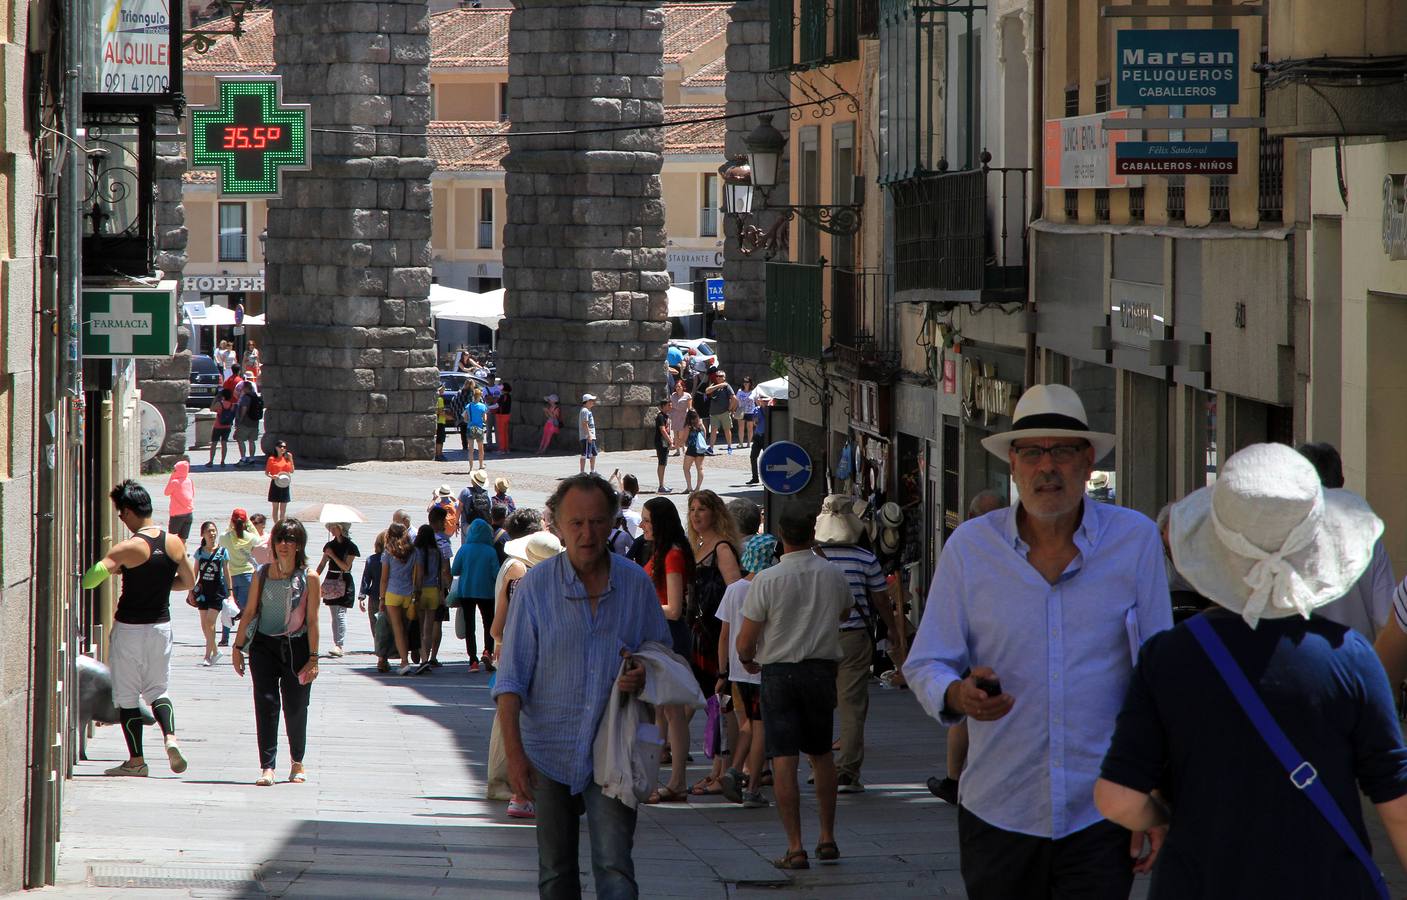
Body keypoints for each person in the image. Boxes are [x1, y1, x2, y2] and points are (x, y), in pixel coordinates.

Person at [1095, 442, 1407, 898]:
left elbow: (1116, 797)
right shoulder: (1351, 658)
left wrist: (1163, 817)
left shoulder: (1168, 656)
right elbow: (1396, 802)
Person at [902, 383, 1173, 899]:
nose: (1046, 467)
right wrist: (957, 694)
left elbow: (1157, 677)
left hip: (1101, 811)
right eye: (1031, 452)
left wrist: (1155, 792)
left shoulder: (1133, 540)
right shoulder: (970, 549)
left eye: (1063, 451)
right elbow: (928, 661)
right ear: (1013, 464)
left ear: (1087, 461)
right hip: (999, 807)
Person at [493, 474, 670, 897]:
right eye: (576, 523)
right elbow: (511, 679)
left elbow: (661, 653)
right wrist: (514, 758)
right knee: (555, 873)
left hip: (613, 749)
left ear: (612, 523)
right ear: (556, 525)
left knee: (615, 868)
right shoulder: (536, 588)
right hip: (548, 751)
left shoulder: (634, 584)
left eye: (596, 522)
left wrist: (643, 671)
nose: (587, 533)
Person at [735, 501, 852, 868]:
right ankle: (828, 837)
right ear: (813, 536)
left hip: (779, 674)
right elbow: (845, 612)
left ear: (781, 537)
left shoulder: (768, 580)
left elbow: (745, 641)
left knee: (784, 760)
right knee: (821, 756)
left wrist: (747, 659)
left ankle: (795, 846)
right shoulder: (833, 574)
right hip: (820, 672)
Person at [82, 480, 197, 777]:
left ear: (130, 512)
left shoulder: (128, 547)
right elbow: (188, 581)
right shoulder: (173, 541)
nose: (121, 519)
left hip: (130, 629)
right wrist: (160, 584)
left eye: (121, 514)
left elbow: (90, 579)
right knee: (158, 689)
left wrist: (114, 567)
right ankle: (170, 736)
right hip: (161, 627)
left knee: (127, 696)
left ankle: (136, 761)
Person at [812, 495, 902, 794]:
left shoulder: (812, 558)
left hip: (815, 640)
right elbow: (880, 599)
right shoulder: (866, 558)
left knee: (818, 706)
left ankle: (820, 768)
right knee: (851, 706)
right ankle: (846, 772)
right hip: (853, 638)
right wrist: (893, 631)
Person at [927, 489, 1006, 805]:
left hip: (972, 635)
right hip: (1007, 638)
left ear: (971, 516)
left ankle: (955, 779)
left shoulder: (963, 544)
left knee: (964, 710)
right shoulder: (1020, 542)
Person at [231, 517, 321, 786]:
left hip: (298, 647)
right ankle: (267, 766)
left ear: (299, 544)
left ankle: (297, 762)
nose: (284, 544)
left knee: (296, 707)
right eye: (280, 539)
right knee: (266, 704)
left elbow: (314, 620)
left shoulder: (310, 577)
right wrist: (237, 648)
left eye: (290, 539)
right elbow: (248, 613)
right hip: (264, 646)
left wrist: (314, 658)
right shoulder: (262, 573)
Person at [488, 526, 561, 818]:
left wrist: (501, 644)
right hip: (549, 666)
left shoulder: (517, 583)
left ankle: (516, 791)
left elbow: (497, 629)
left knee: (513, 721)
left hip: (517, 662)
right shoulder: (561, 588)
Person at [1295, 442, 1395, 640]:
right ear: (1342, 481)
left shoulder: (1285, 531)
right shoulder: (1368, 534)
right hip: (1353, 660)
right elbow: (1385, 617)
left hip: (1296, 658)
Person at [640, 496, 696, 805]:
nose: (643, 525)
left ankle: (676, 782)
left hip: (669, 638)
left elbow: (674, 608)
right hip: (659, 638)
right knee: (659, 711)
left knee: (670, 712)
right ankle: (657, 780)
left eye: (647, 520)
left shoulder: (672, 554)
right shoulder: (662, 552)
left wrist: (641, 605)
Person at [686, 490, 743, 793]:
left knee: (721, 701)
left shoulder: (721, 547)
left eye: (702, 509)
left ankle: (723, 770)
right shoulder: (696, 545)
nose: (696, 515)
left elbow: (735, 592)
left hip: (717, 631)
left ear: (715, 513)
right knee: (712, 701)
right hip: (699, 631)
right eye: (692, 509)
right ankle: (717, 769)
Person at [717, 533, 778, 809]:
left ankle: (735, 769)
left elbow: (724, 634)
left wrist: (722, 671)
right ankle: (751, 784)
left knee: (748, 725)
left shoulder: (734, 589)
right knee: (760, 726)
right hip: (761, 667)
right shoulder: (770, 587)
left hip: (736, 673)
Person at [452, 517, 500, 673]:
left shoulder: (465, 549)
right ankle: (488, 651)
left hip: (467, 591)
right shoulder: (490, 551)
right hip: (486, 592)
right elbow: (496, 574)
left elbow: (455, 570)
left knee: (469, 626)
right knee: (488, 623)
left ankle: (472, 660)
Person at [188, 521, 231, 667]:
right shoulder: (199, 552)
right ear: (203, 534)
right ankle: (215, 650)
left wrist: (230, 593)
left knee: (210, 622)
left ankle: (208, 656)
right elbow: (195, 573)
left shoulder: (222, 552)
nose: (212, 534)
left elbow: (227, 573)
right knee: (204, 624)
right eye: (209, 531)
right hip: (203, 592)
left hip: (217, 591)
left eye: (213, 531)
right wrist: (190, 591)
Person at [378, 522, 419, 676]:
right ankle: (406, 657)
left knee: (398, 629)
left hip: (392, 593)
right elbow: (417, 573)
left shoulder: (388, 552)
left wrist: (381, 598)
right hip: (408, 593)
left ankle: (404, 661)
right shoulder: (413, 552)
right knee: (405, 627)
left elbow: (384, 578)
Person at [315, 523, 359, 658]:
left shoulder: (350, 547)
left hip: (343, 579)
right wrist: (314, 577)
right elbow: (322, 564)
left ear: (341, 529)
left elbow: (346, 567)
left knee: (340, 612)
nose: (332, 530)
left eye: (335, 527)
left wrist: (332, 556)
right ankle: (337, 643)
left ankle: (339, 645)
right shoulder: (329, 545)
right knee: (334, 614)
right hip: (331, 579)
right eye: (331, 527)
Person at [411, 523, 450, 673]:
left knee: (420, 627)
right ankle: (426, 658)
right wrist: (442, 592)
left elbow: (419, 574)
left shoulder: (417, 551)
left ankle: (423, 659)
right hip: (434, 591)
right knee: (429, 628)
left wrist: (416, 591)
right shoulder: (438, 551)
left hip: (422, 591)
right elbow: (442, 574)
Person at [219, 509, 259, 648]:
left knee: (228, 607)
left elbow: (222, 539)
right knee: (246, 608)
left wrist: (230, 526)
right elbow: (259, 540)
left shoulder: (225, 537)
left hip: (229, 575)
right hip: (247, 574)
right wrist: (249, 524)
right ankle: (246, 637)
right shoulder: (250, 537)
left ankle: (225, 638)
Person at [359, 530, 386, 670]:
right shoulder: (394, 559)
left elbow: (365, 579)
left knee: (376, 627)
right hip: (389, 597)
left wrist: (362, 596)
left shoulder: (371, 559)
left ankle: (381, 656)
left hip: (374, 598)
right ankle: (385, 655)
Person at [705, 369, 737, 452]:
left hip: (724, 412)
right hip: (714, 413)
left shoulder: (727, 386)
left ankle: (729, 447)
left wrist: (730, 409)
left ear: (724, 378)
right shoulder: (714, 385)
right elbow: (707, 391)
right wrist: (719, 385)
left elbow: (734, 398)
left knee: (727, 430)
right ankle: (711, 448)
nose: (718, 377)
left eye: (721, 376)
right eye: (717, 376)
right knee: (713, 431)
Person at [163, 459, 194, 542]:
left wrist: (172, 477)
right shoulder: (189, 481)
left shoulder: (174, 482)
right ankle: (183, 553)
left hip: (177, 514)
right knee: (183, 539)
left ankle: (173, 554)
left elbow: (166, 492)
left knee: (172, 538)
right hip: (189, 513)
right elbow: (192, 494)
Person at [459, 469, 493, 542]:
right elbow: (490, 510)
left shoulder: (466, 491)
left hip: (468, 524)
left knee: (466, 545)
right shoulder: (487, 494)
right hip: (483, 525)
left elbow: (459, 508)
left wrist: (456, 523)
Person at [265, 440, 294, 524]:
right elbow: (267, 472)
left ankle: (282, 524)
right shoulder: (272, 459)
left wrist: (291, 459)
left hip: (285, 483)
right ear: (276, 448)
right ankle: (276, 525)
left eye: (284, 447)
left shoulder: (287, 458)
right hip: (275, 483)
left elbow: (292, 470)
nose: (282, 448)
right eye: (281, 446)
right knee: (275, 507)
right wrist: (271, 476)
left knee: (283, 508)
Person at [235, 381, 263, 465]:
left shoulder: (246, 397)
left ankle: (243, 458)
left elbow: (244, 408)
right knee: (252, 441)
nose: (242, 389)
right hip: (254, 422)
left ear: (246, 388)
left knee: (240, 439)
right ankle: (251, 458)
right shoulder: (256, 397)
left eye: (243, 388)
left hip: (245, 422)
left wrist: (240, 420)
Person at [746, 395, 771, 485]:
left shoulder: (770, 410)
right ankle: (755, 477)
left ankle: (767, 478)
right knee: (753, 457)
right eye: (763, 401)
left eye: (766, 401)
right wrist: (755, 420)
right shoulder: (756, 409)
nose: (765, 402)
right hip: (757, 436)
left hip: (766, 436)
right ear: (760, 401)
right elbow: (755, 422)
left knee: (766, 458)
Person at [208, 388, 237, 467]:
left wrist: (216, 399)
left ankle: (211, 461)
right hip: (227, 426)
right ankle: (223, 461)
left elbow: (211, 409)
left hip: (218, 426)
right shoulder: (232, 405)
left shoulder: (219, 404)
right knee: (224, 444)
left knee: (214, 443)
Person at [466, 386, 490, 470]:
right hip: (479, 428)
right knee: (480, 449)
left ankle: (471, 468)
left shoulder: (468, 406)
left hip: (470, 428)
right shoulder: (482, 406)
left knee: (471, 449)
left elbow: (465, 418)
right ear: (479, 396)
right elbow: (485, 419)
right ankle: (480, 465)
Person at [682, 410, 706, 492]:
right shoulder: (700, 424)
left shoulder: (688, 426)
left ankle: (689, 487)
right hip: (700, 448)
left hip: (692, 448)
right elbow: (705, 435)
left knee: (686, 468)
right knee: (700, 468)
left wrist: (681, 445)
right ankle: (697, 488)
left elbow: (684, 439)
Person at [653, 397, 673, 492]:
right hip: (661, 442)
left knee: (663, 463)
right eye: (669, 405)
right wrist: (670, 441)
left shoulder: (666, 416)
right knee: (662, 463)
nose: (671, 406)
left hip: (664, 442)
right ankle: (661, 486)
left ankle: (662, 484)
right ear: (663, 406)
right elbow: (663, 430)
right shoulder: (660, 416)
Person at [668, 379, 691, 458]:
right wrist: (669, 415)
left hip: (683, 415)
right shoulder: (673, 395)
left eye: (679, 386)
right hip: (675, 415)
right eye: (676, 386)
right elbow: (670, 406)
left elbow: (689, 407)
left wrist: (689, 415)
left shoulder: (687, 395)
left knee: (681, 434)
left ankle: (683, 446)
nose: (678, 388)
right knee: (675, 433)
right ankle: (677, 450)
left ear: (682, 387)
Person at [578, 393, 599, 474]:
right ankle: (582, 472)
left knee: (593, 453)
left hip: (591, 436)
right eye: (591, 401)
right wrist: (589, 435)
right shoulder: (585, 411)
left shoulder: (587, 411)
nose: (593, 402)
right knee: (584, 454)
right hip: (586, 436)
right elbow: (584, 423)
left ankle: (592, 471)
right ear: (586, 401)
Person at [735, 376, 757, 446]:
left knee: (750, 428)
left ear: (750, 383)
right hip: (741, 410)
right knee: (741, 427)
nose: (745, 383)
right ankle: (741, 443)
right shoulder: (739, 391)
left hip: (750, 411)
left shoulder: (753, 391)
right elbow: (736, 401)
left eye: (747, 382)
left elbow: (756, 400)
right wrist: (734, 410)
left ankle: (748, 443)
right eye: (744, 382)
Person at [493, 382, 513, 454]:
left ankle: (502, 449)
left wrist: (488, 407)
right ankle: (506, 448)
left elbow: (497, 405)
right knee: (505, 433)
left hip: (501, 416)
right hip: (507, 415)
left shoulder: (503, 396)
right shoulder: (509, 396)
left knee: (501, 433)